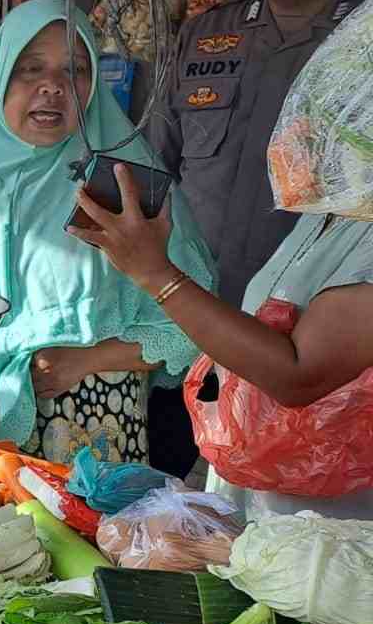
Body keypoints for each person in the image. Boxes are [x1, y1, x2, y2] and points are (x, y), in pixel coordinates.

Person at [0, 0, 216, 464]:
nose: (53, 87)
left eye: (76, 71)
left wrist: (87, 359)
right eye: (31, 68)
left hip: (87, 435)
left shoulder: (124, 182)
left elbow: (193, 324)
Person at [145, 0, 371, 476]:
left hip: (307, 340)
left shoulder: (366, 43)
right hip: (186, 318)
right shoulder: (207, 35)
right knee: (174, 503)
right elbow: (155, 166)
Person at [76, 147, 373, 521]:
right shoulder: (331, 212)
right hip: (260, 503)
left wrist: (156, 273)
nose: (293, 134)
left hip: (331, 534)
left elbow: (300, 375)